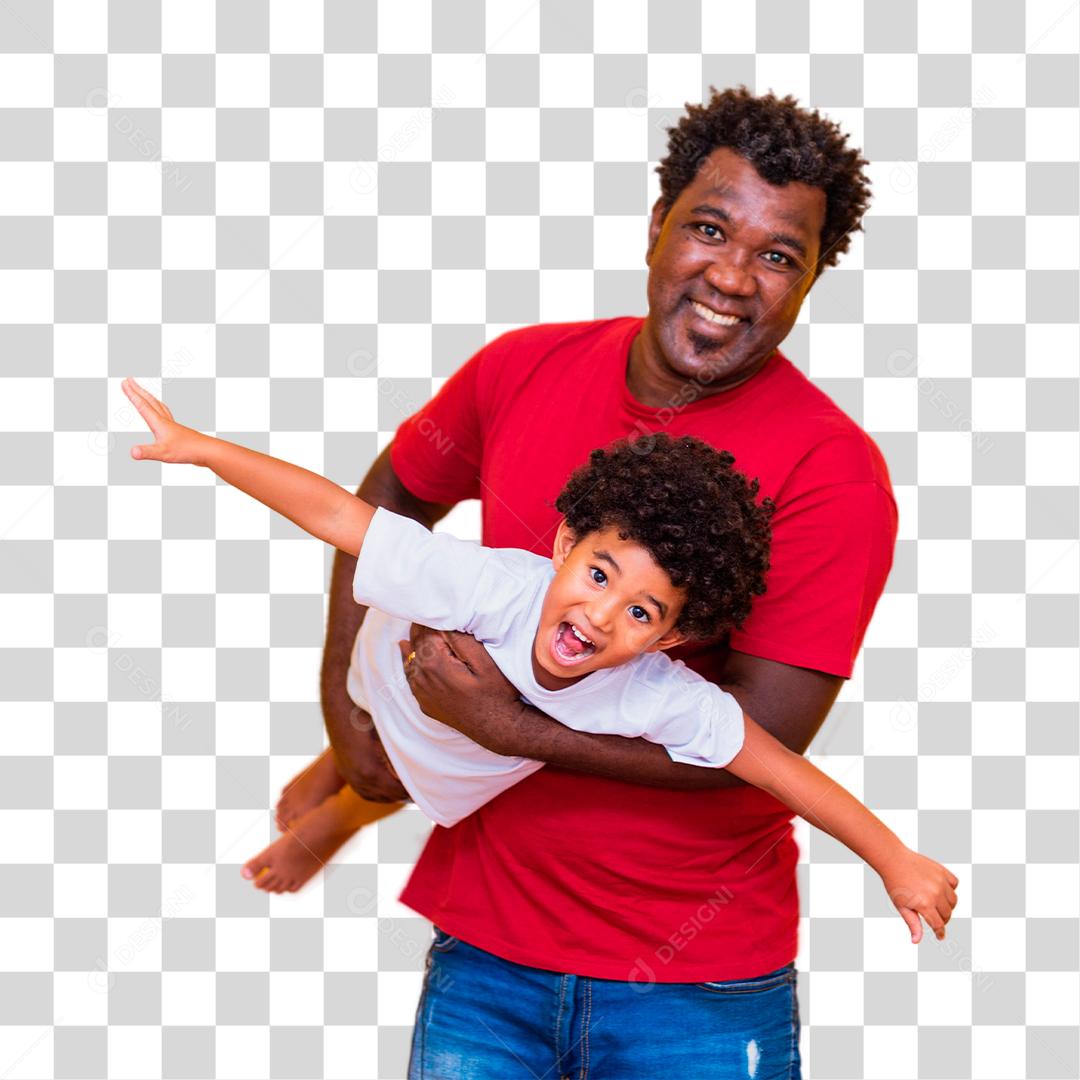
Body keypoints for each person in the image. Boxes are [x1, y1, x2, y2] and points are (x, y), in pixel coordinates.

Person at [212, 84, 910, 1076]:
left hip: (695, 985)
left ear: (806, 287)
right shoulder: (522, 370)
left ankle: (353, 800)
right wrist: (344, 712)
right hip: (488, 950)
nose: (733, 275)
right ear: (657, 228)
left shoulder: (830, 473)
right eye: (709, 228)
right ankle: (350, 793)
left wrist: (512, 729)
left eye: (778, 256)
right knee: (466, 621)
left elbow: (764, 735)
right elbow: (389, 508)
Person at [123, 376, 957, 950]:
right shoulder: (485, 586)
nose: (598, 617)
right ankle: (345, 766)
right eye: (597, 574)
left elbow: (779, 768)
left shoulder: (659, 693)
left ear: (672, 637)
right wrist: (204, 449)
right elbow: (341, 515)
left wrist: (895, 858)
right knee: (384, 721)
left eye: (640, 612)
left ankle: (347, 809)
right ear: (562, 545)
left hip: (462, 762)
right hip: (394, 674)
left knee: (422, 776)